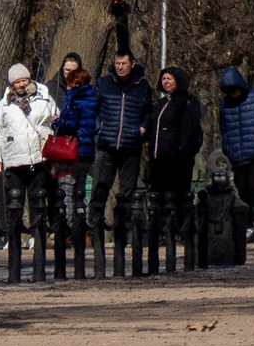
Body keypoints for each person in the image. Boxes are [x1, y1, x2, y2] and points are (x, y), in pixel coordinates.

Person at [92, 15, 153, 241]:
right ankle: (95, 231)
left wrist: (143, 128)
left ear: (132, 64)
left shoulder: (141, 86)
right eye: (117, 64)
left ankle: (122, 233)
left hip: (130, 145)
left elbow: (148, 111)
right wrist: (99, 128)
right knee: (100, 189)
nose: (120, 67)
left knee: (125, 193)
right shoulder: (104, 84)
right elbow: (94, 109)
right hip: (107, 143)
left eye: (124, 64)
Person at [0, 62, 59, 253]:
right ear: (12, 84)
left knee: (37, 199)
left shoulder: (44, 96)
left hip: (39, 157)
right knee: (15, 201)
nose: (21, 85)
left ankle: (37, 235)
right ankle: (14, 237)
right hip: (14, 158)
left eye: (24, 80)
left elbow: (56, 118)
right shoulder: (4, 104)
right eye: (17, 82)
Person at [144, 65, 204, 236]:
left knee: (176, 196)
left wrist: (182, 153)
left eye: (170, 79)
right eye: (164, 79)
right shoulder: (161, 104)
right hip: (158, 158)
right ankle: (161, 230)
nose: (166, 82)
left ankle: (178, 229)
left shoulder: (187, 102)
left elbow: (190, 131)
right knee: (159, 195)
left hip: (177, 160)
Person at [216, 65, 254, 236]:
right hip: (236, 153)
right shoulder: (224, 103)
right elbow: (224, 128)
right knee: (243, 191)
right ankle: (247, 224)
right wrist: (227, 148)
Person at [52, 55, 99, 237]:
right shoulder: (92, 99)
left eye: (70, 84)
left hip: (72, 152)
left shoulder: (75, 100)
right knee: (80, 191)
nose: (68, 86)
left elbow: (69, 124)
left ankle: (69, 229)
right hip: (87, 151)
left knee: (67, 190)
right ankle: (85, 227)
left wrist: (56, 122)